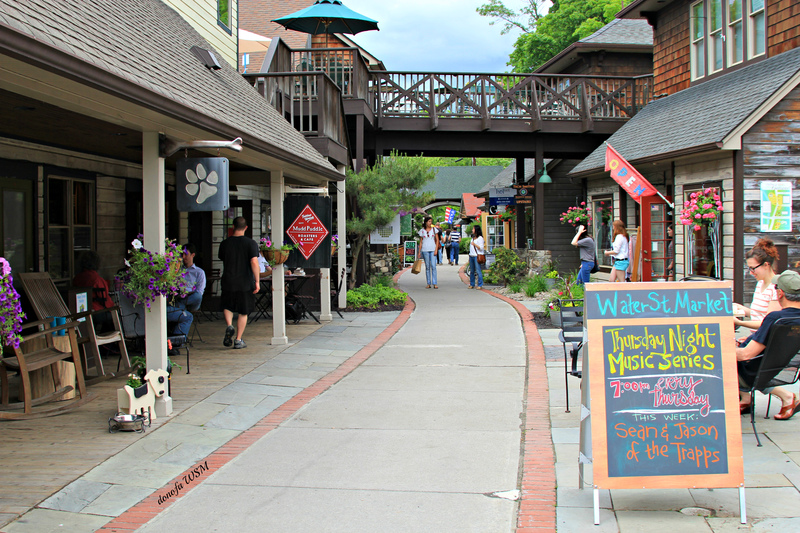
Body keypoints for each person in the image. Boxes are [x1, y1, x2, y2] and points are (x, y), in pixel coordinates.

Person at [736, 270, 800, 420]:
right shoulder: (792, 319)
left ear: (780, 293)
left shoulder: (776, 318)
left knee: (713, 358)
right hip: (773, 370)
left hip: (750, 373)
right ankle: (747, 400)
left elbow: (745, 355)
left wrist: (720, 349)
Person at [218, 216, 260, 349]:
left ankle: (229, 325)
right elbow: (254, 262)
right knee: (243, 311)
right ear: (246, 228)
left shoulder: (225, 244)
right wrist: (257, 280)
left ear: (233, 226)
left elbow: (222, 258)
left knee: (228, 305)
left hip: (228, 280)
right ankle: (238, 339)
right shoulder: (250, 243)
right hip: (244, 282)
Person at [733, 239, 781, 331]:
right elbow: (758, 314)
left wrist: (740, 323)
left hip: (764, 339)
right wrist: (739, 307)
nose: (751, 273)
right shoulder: (760, 283)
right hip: (756, 336)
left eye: (753, 268)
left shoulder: (776, 288)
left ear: (766, 265)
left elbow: (769, 322)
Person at [72, 251, 114, 332]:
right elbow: (104, 297)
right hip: (96, 311)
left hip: (80, 310)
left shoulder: (77, 277)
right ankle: (107, 341)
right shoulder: (97, 279)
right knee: (112, 317)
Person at [175, 243, 205, 312]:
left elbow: (200, 291)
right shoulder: (178, 270)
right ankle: (182, 309)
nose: (183, 257)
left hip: (192, 298)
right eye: (182, 254)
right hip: (180, 296)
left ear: (193, 255)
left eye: (186, 254)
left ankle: (180, 306)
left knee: (198, 296)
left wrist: (189, 293)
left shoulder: (199, 272)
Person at [418, 216, 439, 289]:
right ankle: (428, 283)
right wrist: (419, 251)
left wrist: (436, 249)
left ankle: (435, 283)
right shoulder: (422, 231)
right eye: (429, 221)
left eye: (431, 221)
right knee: (427, 266)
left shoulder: (434, 229)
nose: (430, 223)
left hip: (432, 249)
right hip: (425, 249)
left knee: (433, 266)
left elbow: (437, 240)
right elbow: (421, 242)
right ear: (426, 222)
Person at [468, 225, 485, 290]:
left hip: (477, 256)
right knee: (472, 271)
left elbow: (481, 248)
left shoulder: (480, 238)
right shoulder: (472, 238)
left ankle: (480, 284)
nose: (472, 230)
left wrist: (475, 244)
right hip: (471, 255)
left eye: (473, 229)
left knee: (478, 270)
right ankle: (472, 284)